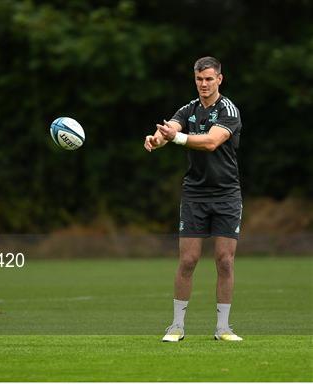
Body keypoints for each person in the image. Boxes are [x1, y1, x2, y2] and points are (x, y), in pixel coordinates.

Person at [144, 57, 243, 342]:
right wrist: (156, 139)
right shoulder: (189, 109)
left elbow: (211, 142)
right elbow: (171, 129)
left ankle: (223, 328)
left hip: (226, 194)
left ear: (219, 80)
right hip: (195, 194)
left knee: (225, 261)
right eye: (199, 79)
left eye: (209, 79)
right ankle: (176, 326)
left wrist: (175, 139)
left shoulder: (229, 110)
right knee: (188, 260)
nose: (204, 84)